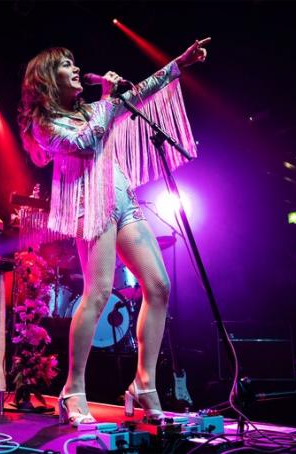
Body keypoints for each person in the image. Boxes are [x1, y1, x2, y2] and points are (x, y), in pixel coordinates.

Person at [18, 38, 210, 426]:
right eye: (66, 65)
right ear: (46, 78)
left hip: (125, 202)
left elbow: (139, 94)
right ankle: (73, 387)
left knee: (159, 287)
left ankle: (144, 382)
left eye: (75, 62)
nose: (75, 68)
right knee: (99, 291)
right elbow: (84, 142)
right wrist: (107, 97)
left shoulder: (94, 109)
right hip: (93, 208)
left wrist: (179, 63)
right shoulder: (44, 123)